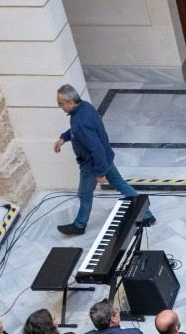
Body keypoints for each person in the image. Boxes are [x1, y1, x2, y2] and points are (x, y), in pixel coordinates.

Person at [54, 83, 154, 236]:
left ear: (71, 102)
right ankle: (147, 215)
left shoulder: (80, 121)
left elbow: (96, 148)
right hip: (106, 158)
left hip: (92, 165)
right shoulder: (85, 107)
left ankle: (80, 225)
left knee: (84, 194)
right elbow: (79, 131)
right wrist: (64, 137)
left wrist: (100, 173)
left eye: (61, 103)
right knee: (121, 184)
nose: (59, 106)